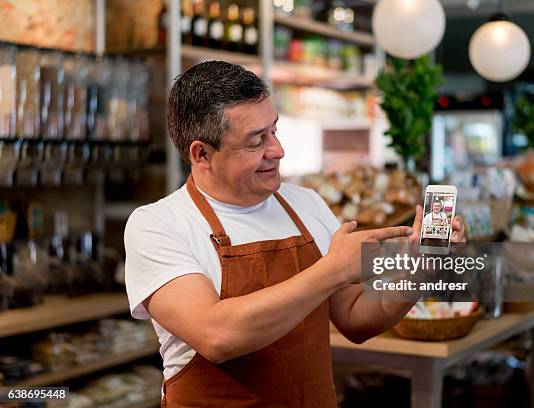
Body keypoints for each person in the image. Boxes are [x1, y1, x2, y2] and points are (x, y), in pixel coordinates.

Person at [124, 61, 465, 407]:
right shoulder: (158, 225)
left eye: (274, 131)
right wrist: (333, 269)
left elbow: (356, 318)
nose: (277, 150)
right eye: (256, 142)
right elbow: (217, 335)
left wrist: (420, 270)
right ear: (203, 155)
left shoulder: (306, 204)